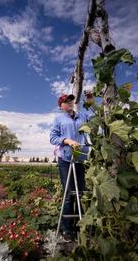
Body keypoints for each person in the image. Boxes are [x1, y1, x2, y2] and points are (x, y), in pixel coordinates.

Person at [49, 93, 91, 241]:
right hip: (66, 159)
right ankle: (67, 229)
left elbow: (96, 123)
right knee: (69, 194)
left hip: (80, 159)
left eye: (71, 100)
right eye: (66, 101)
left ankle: (80, 224)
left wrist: (91, 102)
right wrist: (67, 140)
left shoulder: (83, 116)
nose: (70, 103)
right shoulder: (58, 119)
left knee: (81, 192)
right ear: (61, 105)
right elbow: (53, 137)